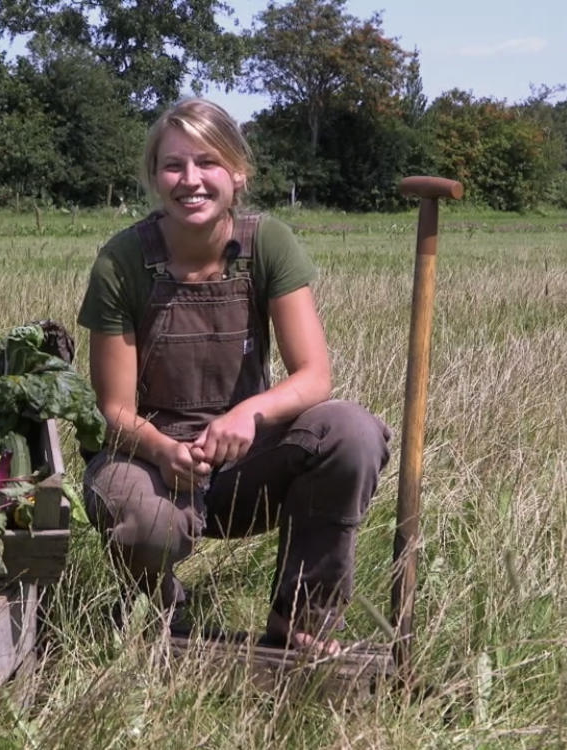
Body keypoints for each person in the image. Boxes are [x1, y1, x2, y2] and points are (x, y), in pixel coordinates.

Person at [75, 98, 393, 655]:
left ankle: (302, 619)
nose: (190, 180)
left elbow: (315, 376)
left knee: (351, 431)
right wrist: (161, 448)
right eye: (174, 165)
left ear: (237, 173)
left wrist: (249, 414)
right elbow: (114, 411)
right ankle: (158, 610)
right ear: (155, 176)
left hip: (247, 463)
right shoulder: (122, 261)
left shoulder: (267, 244)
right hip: (150, 463)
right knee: (138, 515)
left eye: (208, 162)